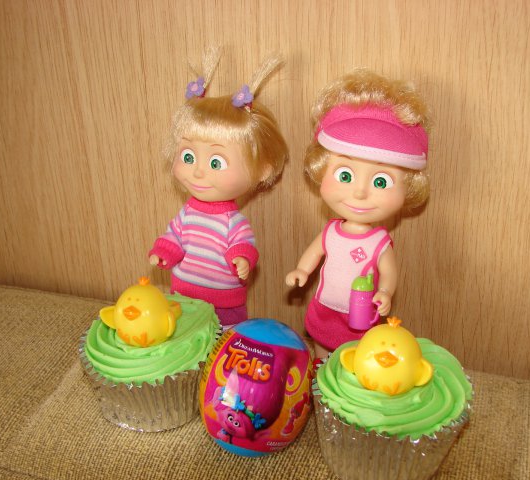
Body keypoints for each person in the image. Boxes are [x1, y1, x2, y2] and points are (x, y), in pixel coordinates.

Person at [285, 69, 431, 359]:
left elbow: (389, 272)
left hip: (360, 313)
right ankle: (321, 375)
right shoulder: (330, 231)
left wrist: (385, 292)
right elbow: (314, 254)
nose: (360, 192)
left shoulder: (379, 242)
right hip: (325, 307)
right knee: (321, 347)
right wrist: (301, 270)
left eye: (381, 182)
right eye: (345, 175)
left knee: (354, 357)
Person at [150, 49, 288, 328]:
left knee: (224, 340)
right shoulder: (187, 214)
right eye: (188, 156)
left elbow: (243, 244)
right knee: (185, 336)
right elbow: (174, 236)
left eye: (216, 162)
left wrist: (241, 258)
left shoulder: (231, 222)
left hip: (224, 302)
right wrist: (164, 251)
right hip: (183, 296)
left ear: (261, 171)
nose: (198, 171)